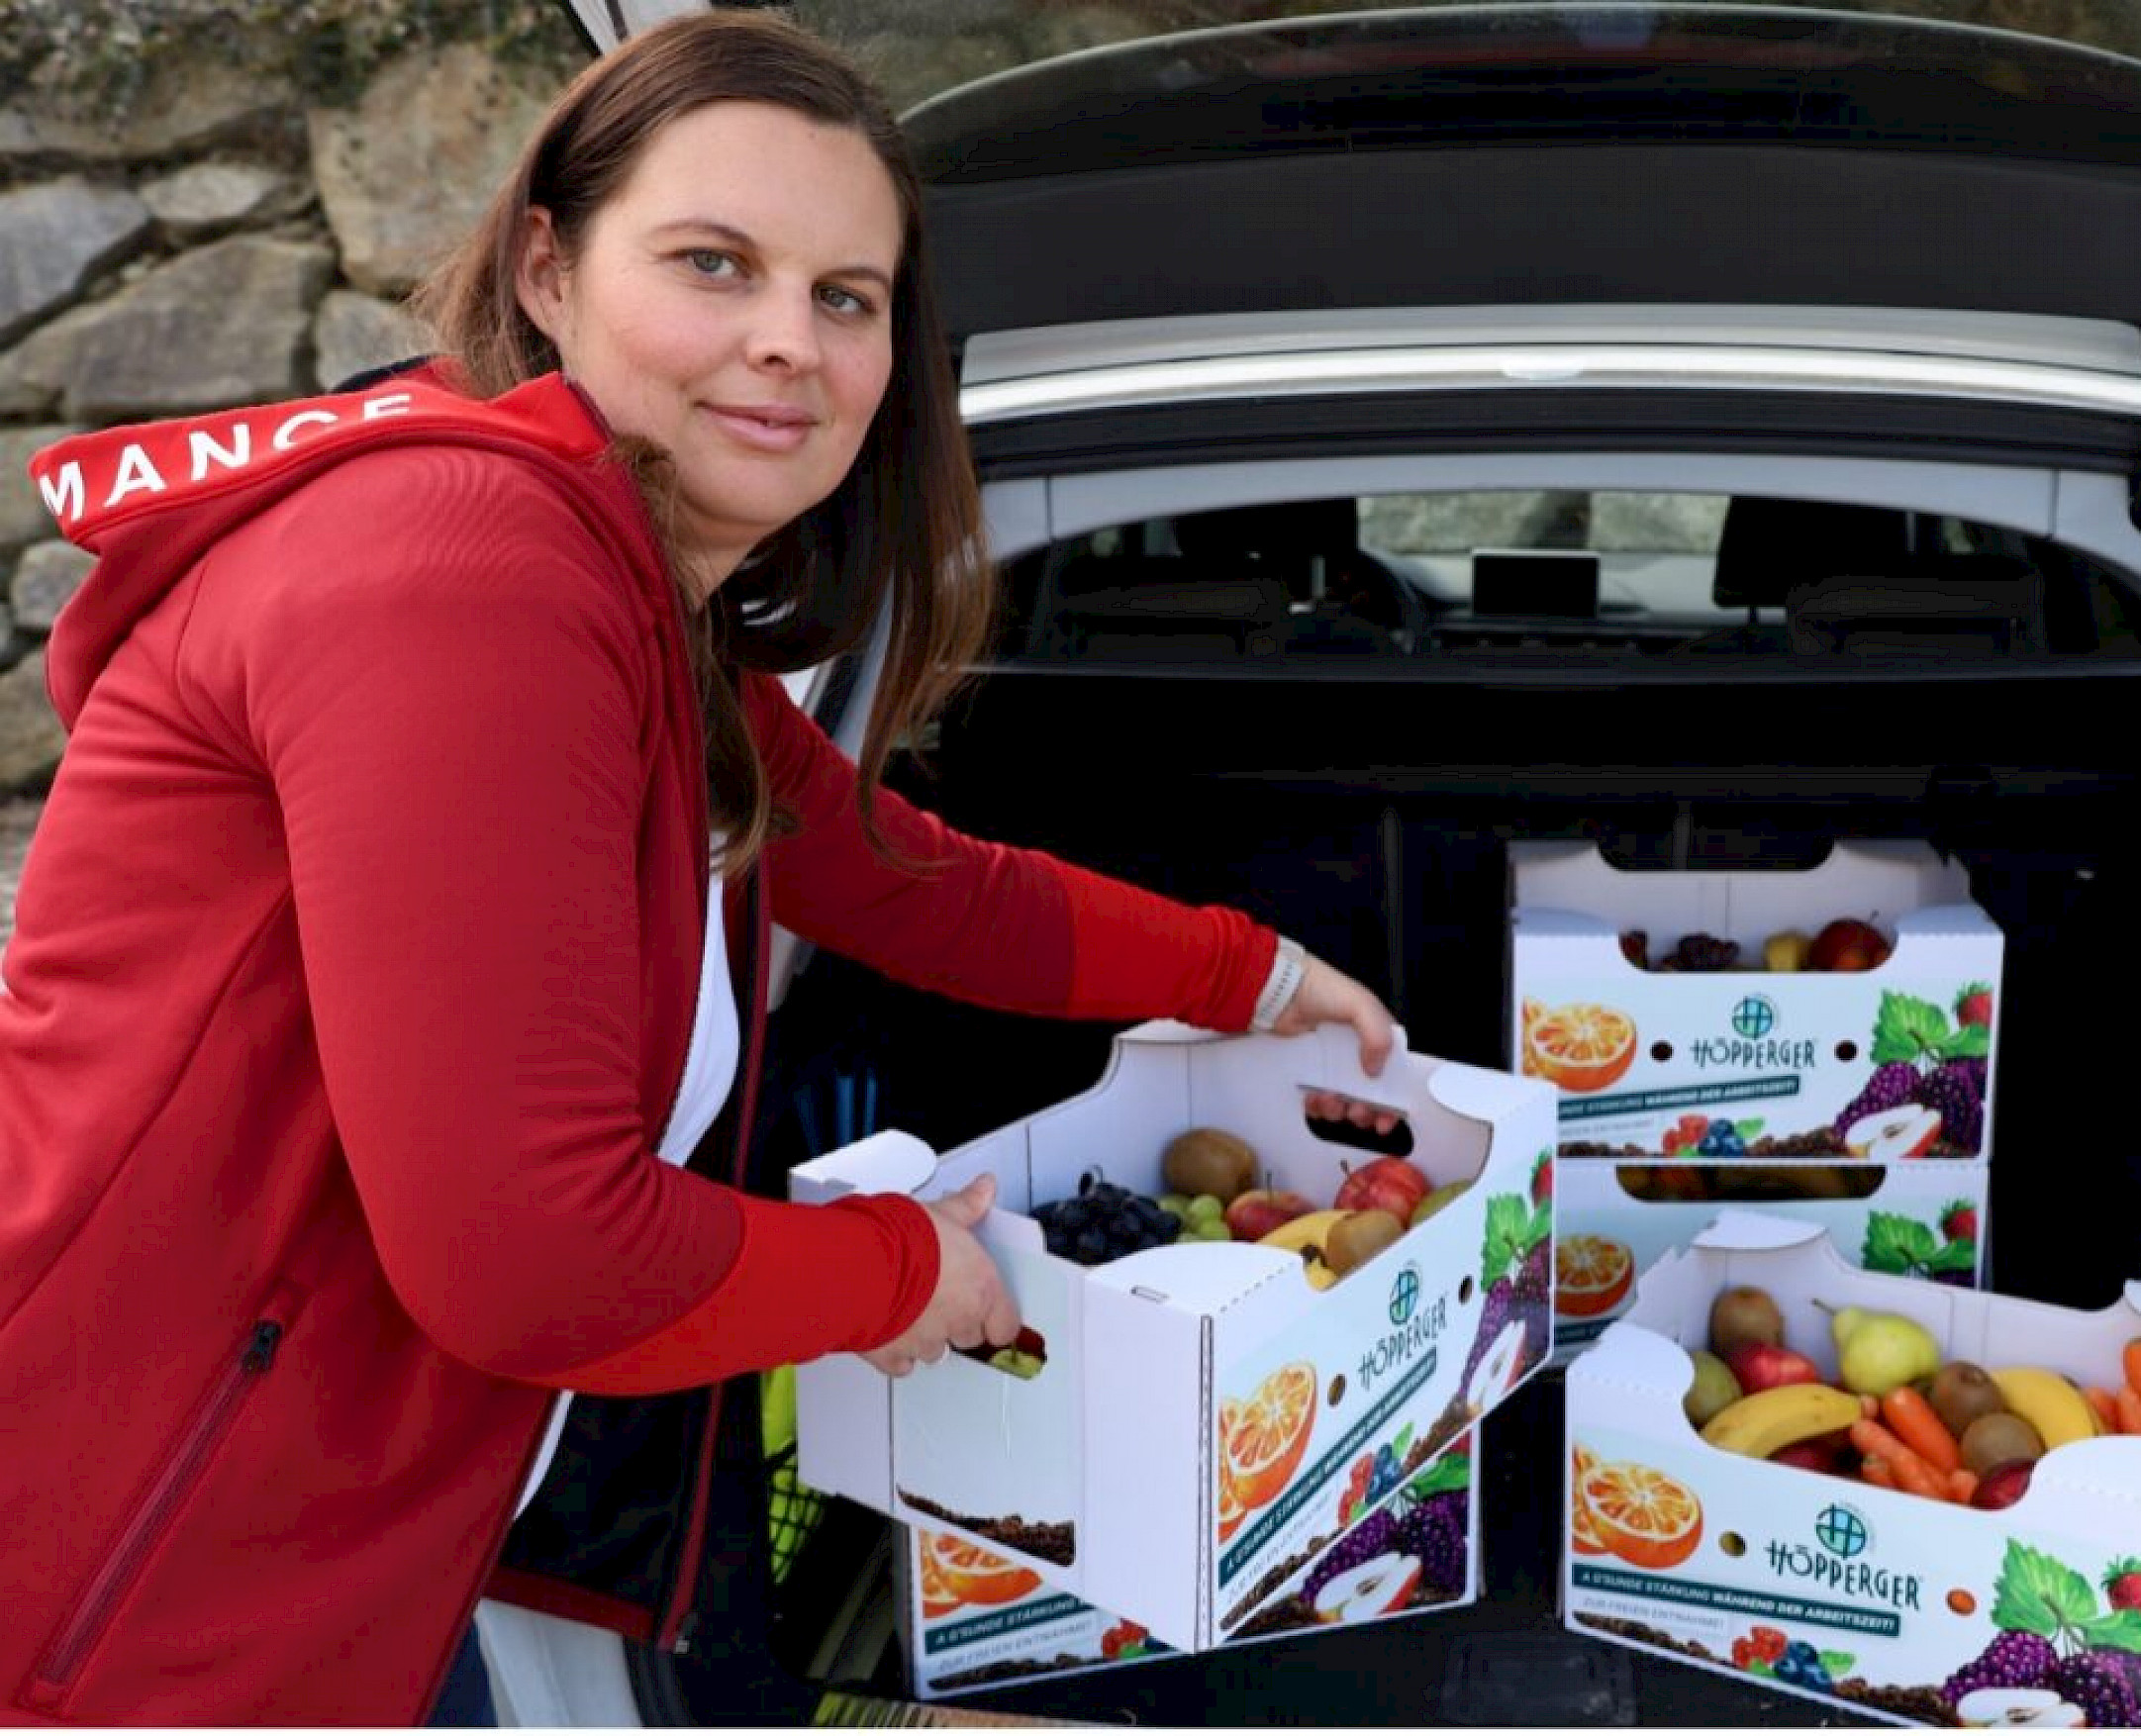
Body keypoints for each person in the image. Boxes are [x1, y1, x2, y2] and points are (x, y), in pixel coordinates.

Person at [0, 11, 1396, 1726]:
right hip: (125, 1581)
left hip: (312, 1530)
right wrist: (904, 1273)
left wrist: (1245, 973)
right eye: (714, 263)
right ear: (545, 267)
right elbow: (531, 1256)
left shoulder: (615, 588)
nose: (783, 345)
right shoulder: (467, 577)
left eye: (844, 297)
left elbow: (896, 875)